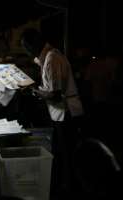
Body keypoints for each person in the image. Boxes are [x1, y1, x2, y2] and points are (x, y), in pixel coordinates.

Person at [20, 28, 84, 196]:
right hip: (61, 113)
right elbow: (34, 62)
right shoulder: (47, 56)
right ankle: (65, 186)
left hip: (66, 113)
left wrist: (34, 90)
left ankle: (70, 189)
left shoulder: (52, 58)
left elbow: (55, 95)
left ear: (35, 43)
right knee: (60, 152)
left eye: (26, 46)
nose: (25, 50)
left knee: (66, 154)